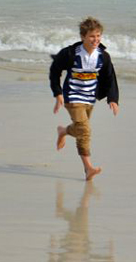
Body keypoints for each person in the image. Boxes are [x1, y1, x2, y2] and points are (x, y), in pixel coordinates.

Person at [49, 17, 119, 180]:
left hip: (89, 98)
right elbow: (55, 70)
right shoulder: (71, 53)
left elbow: (110, 78)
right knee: (85, 130)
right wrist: (58, 93)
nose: (96, 40)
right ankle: (89, 167)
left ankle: (64, 131)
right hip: (72, 96)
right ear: (83, 37)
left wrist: (113, 99)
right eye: (92, 36)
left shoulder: (103, 56)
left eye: (98, 36)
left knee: (81, 131)